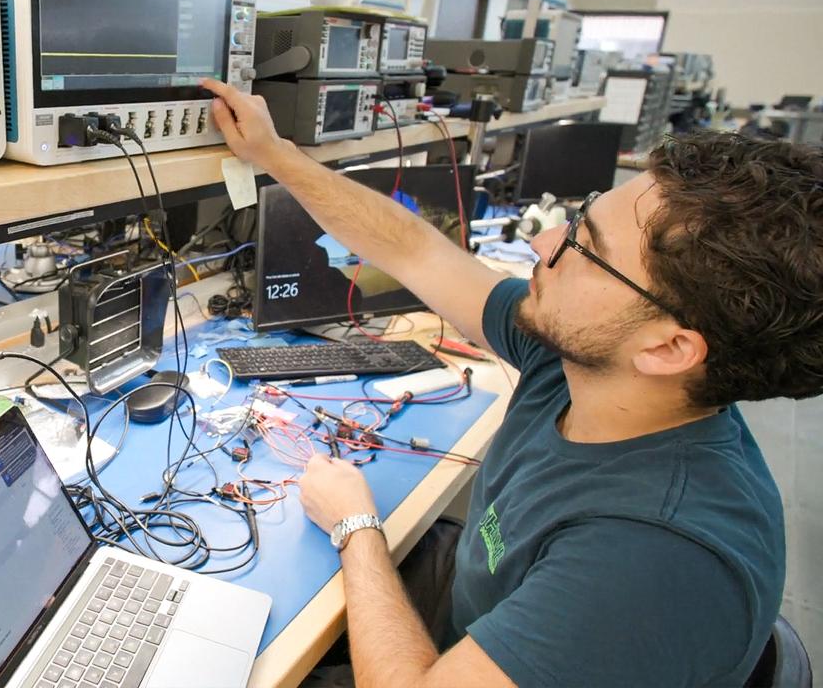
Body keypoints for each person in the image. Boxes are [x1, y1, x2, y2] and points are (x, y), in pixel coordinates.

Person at [202, 78, 823, 687]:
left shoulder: (649, 558)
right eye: (580, 216)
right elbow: (418, 252)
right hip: (486, 612)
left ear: (668, 347)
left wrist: (355, 526)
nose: (545, 239)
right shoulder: (590, 364)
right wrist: (274, 153)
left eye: (587, 246)